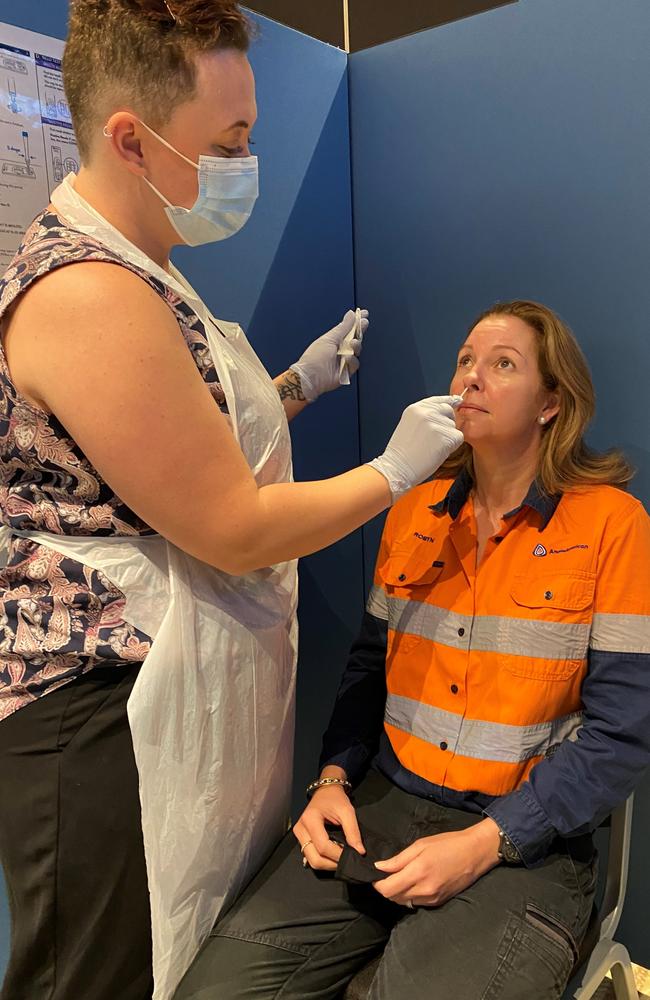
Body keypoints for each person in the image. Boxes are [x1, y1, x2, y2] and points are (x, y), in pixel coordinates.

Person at [0, 2, 464, 999]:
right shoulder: (86, 293)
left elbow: (161, 448)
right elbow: (230, 522)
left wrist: (295, 386)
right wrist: (393, 470)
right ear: (132, 137)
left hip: (166, 684)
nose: (247, 160)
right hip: (101, 718)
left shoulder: (147, 270)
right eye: (232, 141)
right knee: (101, 972)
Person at [173, 299, 650, 1000]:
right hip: (382, 810)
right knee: (213, 989)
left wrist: (487, 841)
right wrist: (332, 781)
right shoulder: (411, 509)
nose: (472, 378)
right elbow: (368, 671)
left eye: (503, 364)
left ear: (551, 404)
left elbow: (622, 732)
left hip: (523, 841)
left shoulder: (613, 524)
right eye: (465, 361)